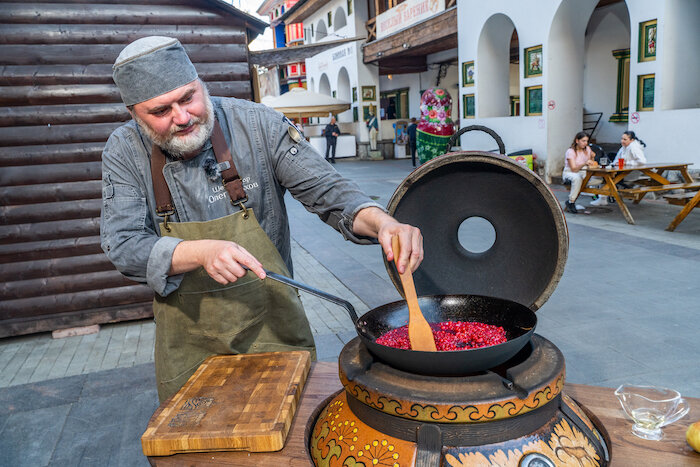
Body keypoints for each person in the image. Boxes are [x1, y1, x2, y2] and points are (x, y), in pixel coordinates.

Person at [101, 37, 424, 402]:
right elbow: (124, 244)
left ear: (201, 85)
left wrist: (383, 222)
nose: (182, 117)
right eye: (160, 111)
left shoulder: (258, 125)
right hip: (189, 343)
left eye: (189, 97)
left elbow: (331, 193)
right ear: (133, 113)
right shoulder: (124, 150)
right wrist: (200, 251)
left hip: (274, 328)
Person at [592, 131, 647, 206]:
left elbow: (642, 161)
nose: (622, 141)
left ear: (632, 140)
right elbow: (616, 160)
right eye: (622, 139)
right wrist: (615, 164)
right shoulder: (623, 148)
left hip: (630, 172)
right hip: (621, 170)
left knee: (607, 176)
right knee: (605, 175)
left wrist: (627, 163)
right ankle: (602, 197)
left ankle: (602, 198)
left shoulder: (634, 147)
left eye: (625, 139)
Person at [562, 131, 597, 214]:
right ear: (577, 141)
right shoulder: (570, 151)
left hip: (583, 171)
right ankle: (571, 201)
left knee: (598, 177)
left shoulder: (587, 149)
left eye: (587, 141)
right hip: (570, 172)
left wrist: (592, 158)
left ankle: (601, 196)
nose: (585, 143)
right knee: (577, 178)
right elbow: (574, 169)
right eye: (583, 141)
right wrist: (584, 163)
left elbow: (591, 160)